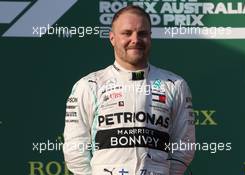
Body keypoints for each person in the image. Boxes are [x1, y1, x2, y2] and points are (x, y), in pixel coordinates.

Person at [63, 5, 195, 175]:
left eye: (142, 34)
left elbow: (185, 144)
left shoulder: (174, 85)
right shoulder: (89, 85)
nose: (135, 40)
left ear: (150, 37)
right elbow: (75, 147)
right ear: (112, 38)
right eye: (127, 33)